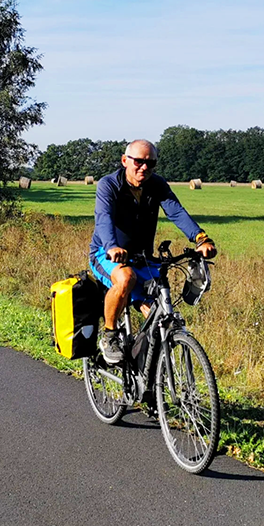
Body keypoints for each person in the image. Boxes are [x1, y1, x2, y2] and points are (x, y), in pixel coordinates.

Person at [89, 139, 216, 364]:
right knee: (126, 278)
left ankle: (148, 369)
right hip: (106, 253)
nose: (144, 167)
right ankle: (109, 335)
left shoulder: (156, 184)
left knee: (162, 310)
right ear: (125, 160)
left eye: (150, 163)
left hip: (143, 257)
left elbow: (176, 212)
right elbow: (104, 218)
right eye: (138, 161)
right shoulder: (109, 185)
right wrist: (112, 246)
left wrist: (200, 238)